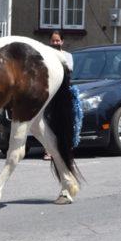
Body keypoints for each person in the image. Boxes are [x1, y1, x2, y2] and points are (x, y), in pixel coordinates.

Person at [43, 31, 74, 161]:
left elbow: (69, 69)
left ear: (62, 42)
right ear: (50, 42)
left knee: (65, 121)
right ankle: (49, 151)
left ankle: (66, 149)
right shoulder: (46, 55)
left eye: (57, 40)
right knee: (49, 122)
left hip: (64, 92)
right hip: (50, 93)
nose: (55, 43)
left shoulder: (67, 55)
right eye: (53, 40)